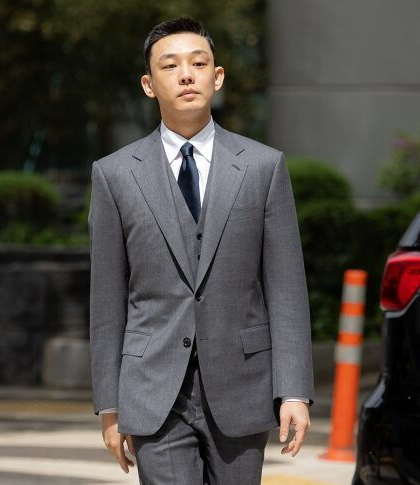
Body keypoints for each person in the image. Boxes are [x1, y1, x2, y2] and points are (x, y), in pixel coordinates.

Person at [89, 18, 314, 484]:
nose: (186, 75)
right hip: (153, 391)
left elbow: (287, 288)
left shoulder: (263, 166)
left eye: (199, 63)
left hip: (242, 385)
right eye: (170, 66)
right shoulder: (114, 174)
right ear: (149, 85)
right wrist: (109, 405)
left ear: (218, 76)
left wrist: (293, 390)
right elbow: (107, 299)